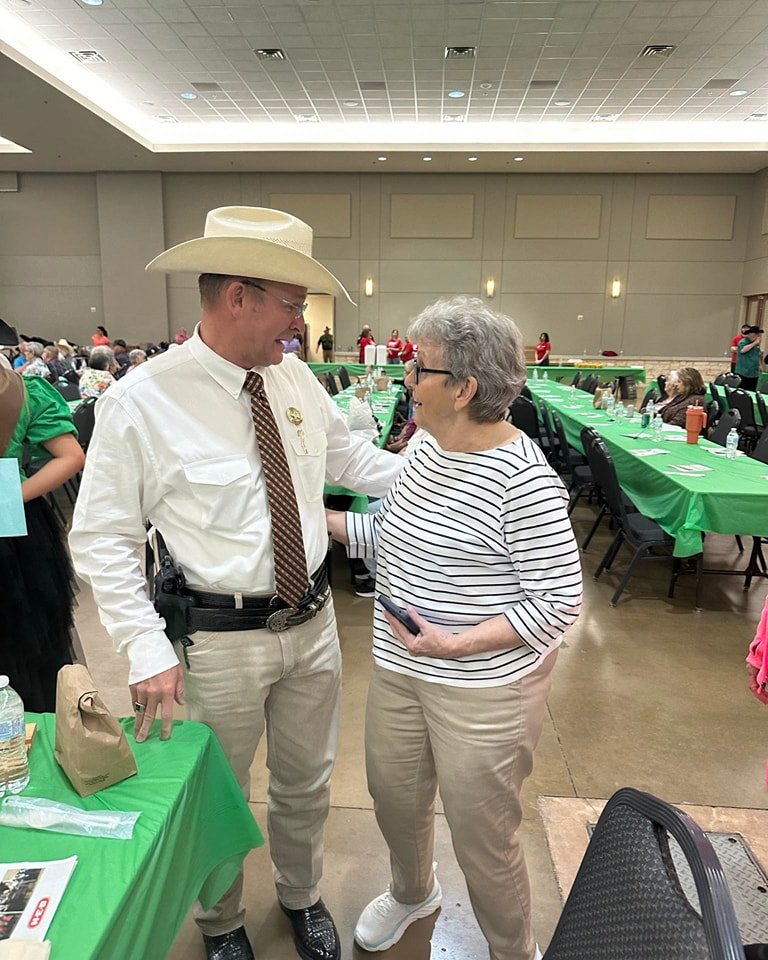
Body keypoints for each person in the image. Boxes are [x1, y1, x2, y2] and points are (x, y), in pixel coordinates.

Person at [69, 206, 403, 960]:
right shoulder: (142, 401)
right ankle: (220, 921)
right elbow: (102, 537)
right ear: (237, 296)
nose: (299, 323)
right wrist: (145, 647)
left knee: (307, 781)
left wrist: (455, 465)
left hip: (312, 626)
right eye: (292, 304)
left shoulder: (291, 378)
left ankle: (300, 893)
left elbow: (349, 461)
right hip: (217, 643)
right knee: (217, 791)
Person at [326, 296, 582, 960]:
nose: (405, 379)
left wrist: (456, 643)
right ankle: (413, 892)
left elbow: (558, 602)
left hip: (479, 690)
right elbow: (390, 534)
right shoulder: (427, 451)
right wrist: (313, 523)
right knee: (394, 799)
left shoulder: (523, 482)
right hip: (400, 671)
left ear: (463, 387)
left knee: (484, 837)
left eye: (419, 368)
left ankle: (511, 949)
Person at [1, 370, 84, 711]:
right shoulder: (20, 389)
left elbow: (72, 457)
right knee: (25, 641)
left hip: (12, 525)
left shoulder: (21, 389)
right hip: (12, 520)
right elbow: (72, 456)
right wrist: (11, 494)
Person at [735, 325, 763, 391]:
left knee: (751, 391)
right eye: (755, 334)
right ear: (750, 334)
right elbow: (743, 350)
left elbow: (757, 355)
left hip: (753, 373)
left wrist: (760, 365)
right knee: (741, 392)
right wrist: (755, 343)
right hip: (743, 373)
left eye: (757, 334)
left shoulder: (756, 344)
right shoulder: (743, 342)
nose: (756, 336)